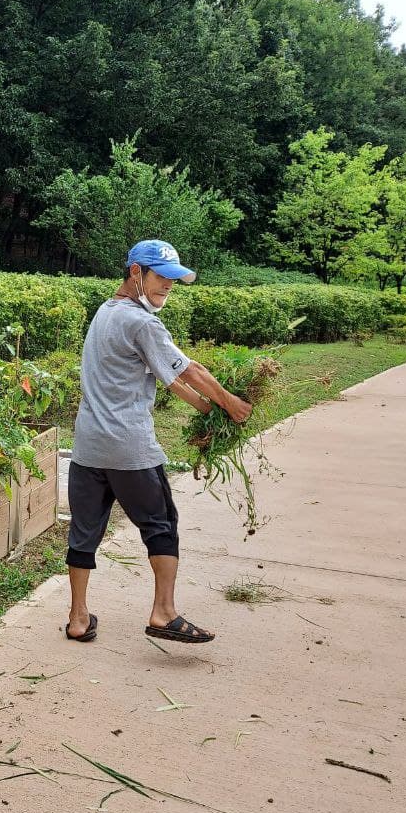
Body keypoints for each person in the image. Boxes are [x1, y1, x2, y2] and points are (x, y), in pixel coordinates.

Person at [64, 239, 251, 644]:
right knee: (162, 525)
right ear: (136, 273)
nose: (168, 285)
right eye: (161, 277)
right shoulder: (143, 323)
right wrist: (231, 403)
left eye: (173, 279)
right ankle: (164, 613)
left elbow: (171, 380)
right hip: (130, 449)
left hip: (88, 448)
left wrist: (209, 413)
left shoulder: (105, 313)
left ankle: (78, 618)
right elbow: (191, 370)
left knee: (83, 531)